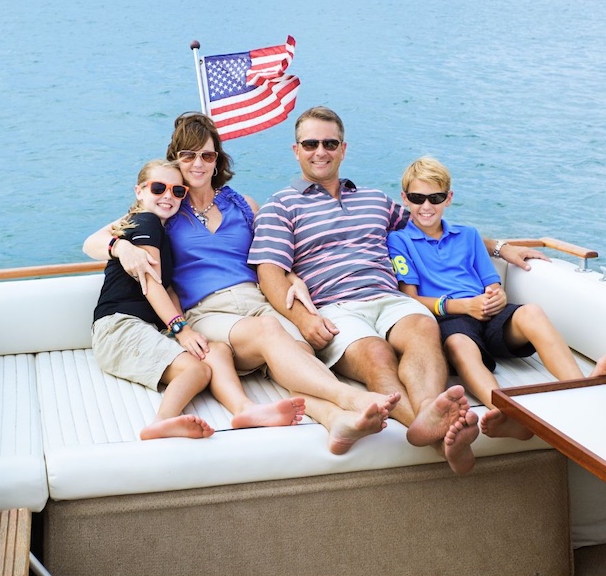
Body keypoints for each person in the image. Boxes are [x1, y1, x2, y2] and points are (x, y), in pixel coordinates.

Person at [248, 106, 544, 474]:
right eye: (310, 143)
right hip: (334, 306)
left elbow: (431, 225)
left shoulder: (374, 200)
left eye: (330, 143)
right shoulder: (280, 206)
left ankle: (429, 419)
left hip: (389, 298)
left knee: (423, 328)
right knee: (377, 355)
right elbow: (270, 273)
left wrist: (500, 247)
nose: (320, 151)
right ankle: (441, 436)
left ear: (343, 149)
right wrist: (303, 319)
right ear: (296, 150)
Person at [85, 114, 399, 454]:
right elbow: (94, 242)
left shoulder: (243, 205)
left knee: (300, 351)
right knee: (269, 332)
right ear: (176, 159)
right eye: (188, 155)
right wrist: (122, 247)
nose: (198, 163)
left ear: (217, 159)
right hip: (207, 310)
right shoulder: (166, 204)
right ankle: (349, 397)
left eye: (207, 155)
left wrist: (293, 279)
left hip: (256, 301)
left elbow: (275, 255)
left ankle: (334, 420)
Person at [386, 156, 606, 440]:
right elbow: (410, 297)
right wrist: (464, 306)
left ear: (448, 198)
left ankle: (581, 388)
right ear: (405, 198)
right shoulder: (398, 241)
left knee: (531, 312)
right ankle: (510, 412)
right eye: (417, 198)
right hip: (448, 318)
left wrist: (495, 296)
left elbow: (491, 281)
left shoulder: (469, 235)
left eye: (435, 197)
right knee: (460, 344)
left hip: (485, 312)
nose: (426, 206)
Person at [92, 158, 305, 441]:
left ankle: (245, 408)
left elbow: (168, 288)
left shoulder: (161, 230)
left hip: (149, 328)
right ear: (139, 191)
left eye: (177, 191)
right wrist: (182, 329)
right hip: (119, 327)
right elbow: (152, 285)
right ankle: (161, 421)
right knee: (196, 369)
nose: (168, 196)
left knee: (215, 351)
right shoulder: (146, 222)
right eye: (158, 188)